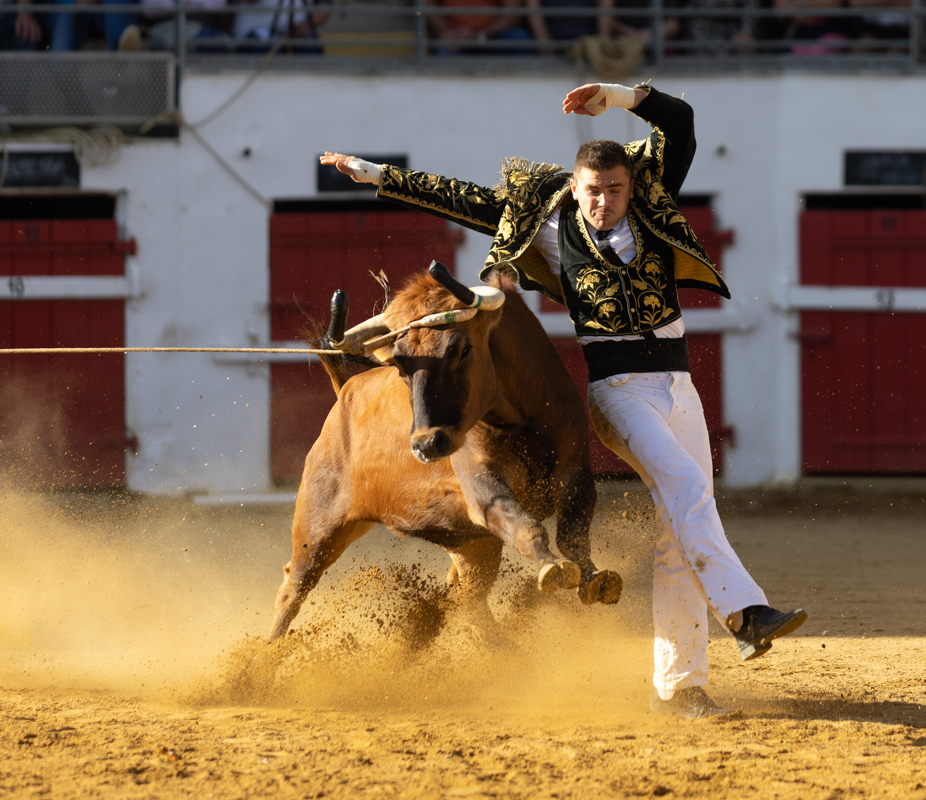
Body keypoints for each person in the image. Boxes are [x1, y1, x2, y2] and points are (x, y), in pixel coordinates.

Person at [320, 82, 806, 720]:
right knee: (688, 489)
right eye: (592, 191)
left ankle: (680, 687)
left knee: (680, 528)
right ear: (573, 189)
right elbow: (460, 197)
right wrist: (380, 175)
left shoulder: (652, 198)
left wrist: (618, 95)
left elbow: (680, 122)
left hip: (677, 385)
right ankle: (744, 614)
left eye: (614, 191)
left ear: (631, 186)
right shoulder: (547, 223)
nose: (604, 202)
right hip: (619, 392)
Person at [426, 0, 531, 54]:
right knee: (442, 48)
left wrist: (480, 34)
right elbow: (426, 4)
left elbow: (513, 13)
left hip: (492, 36)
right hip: (453, 37)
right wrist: (447, 31)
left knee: (520, 38)